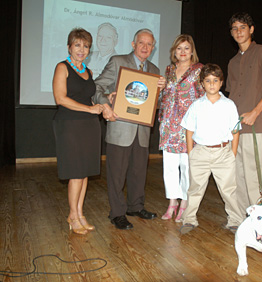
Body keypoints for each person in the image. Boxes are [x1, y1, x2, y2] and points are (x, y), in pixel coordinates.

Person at [92, 28, 166, 230]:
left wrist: (161, 90)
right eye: (141, 43)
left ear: (153, 47)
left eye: (149, 44)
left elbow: (154, 102)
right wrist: (106, 102)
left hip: (142, 131)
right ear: (133, 44)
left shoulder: (155, 70)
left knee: (138, 172)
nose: (145, 47)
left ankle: (135, 206)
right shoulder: (118, 62)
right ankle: (117, 213)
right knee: (116, 174)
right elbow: (96, 87)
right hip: (119, 127)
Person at [179, 64, 244, 234]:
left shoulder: (229, 105)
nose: (212, 84)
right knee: (195, 188)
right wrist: (191, 152)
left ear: (221, 82)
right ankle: (189, 219)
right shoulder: (196, 105)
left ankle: (235, 220)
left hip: (223, 153)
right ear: (202, 84)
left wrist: (233, 153)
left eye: (215, 80)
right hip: (200, 152)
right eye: (208, 81)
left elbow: (235, 130)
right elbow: (189, 129)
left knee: (228, 189)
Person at [52, 28, 103, 235]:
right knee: (75, 172)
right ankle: (72, 216)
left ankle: (80, 214)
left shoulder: (88, 72)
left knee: (84, 173)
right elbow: (60, 99)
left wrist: (105, 103)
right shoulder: (62, 68)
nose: (82, 50)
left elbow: (89, 98)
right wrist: (90, 109)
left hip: (89, 125)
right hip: (69, 125)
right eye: (78, 45)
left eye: (86, 46)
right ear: (69, 47)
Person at [226, 12, 262, 213]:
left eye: (242, 27)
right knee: (236, 175)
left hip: (255, 125)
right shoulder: (232, 62)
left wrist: (256, 112)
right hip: (235, 128)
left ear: (251, 29)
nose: (239, 32)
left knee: (255, 176)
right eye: (234, 28)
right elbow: (231, 96)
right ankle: (240, 218)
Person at [158, 34, 205, 222]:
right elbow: (165, 97)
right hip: (168, 125)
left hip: (188, 126)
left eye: (186, 48)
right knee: (169, 167)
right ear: (174, 52)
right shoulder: (169, 70)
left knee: (187, 167)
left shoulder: (199, 70)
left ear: (192, 50)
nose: (183, 52)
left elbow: (203, 98)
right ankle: (172, 203)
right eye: (179, 48)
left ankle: (185, 204)